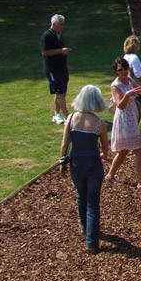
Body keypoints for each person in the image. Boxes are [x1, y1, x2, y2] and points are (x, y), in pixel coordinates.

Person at [60, 85, 110, 254]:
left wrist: (62, 162)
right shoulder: (100, 123)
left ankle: (84, 226)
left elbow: (65, 143)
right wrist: (105, 156)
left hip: (76, 163)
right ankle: (91, 242)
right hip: (93, 164)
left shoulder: (71, 118)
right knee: (93, 203)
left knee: (81, 194)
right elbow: (105, 147)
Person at [106, 57, 141, 189]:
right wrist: (127, 95)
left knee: (124, 150)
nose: (124, 72)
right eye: (120, 70)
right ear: (116, 71)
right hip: (124, 119)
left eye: (126, 69)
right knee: (139, 150)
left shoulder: (130, 79)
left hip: (131, 116)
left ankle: (110, 175)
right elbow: (120, 105)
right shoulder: (115, 85)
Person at [41, 13, 71, 124]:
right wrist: (60, 51)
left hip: (62, 67)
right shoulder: (47, 36)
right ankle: (67, 117)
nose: (62, 27)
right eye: (60, 24)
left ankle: (56, 115)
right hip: (53, 69)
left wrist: (66, 65)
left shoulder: (59, 35)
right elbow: (45, 52)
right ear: (54, 24)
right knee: (59, 91)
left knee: (62, 92)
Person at [122, 35, 141, 120]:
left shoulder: (125, 57)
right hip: (135, 86)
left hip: (127, 86)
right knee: (138, 110)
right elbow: (138, 74)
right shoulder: (134, 58)